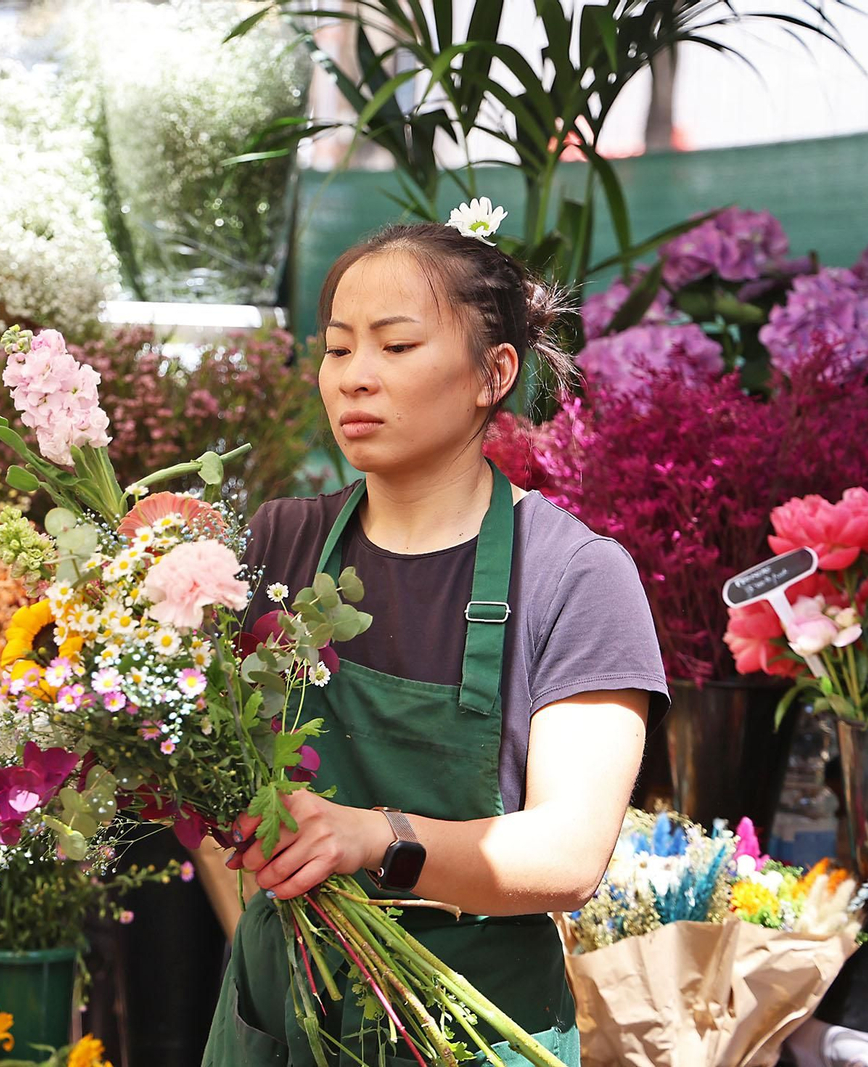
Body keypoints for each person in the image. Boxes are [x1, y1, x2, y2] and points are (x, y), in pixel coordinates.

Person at [202, 217, 669, 1066]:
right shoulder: (280, 543)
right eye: (339, 350)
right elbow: (203, 779)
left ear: (495, 372)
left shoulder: (576, 576)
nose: (355, 379)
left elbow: (569, 852)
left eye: (396, 345)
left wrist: (374, 837)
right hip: (278, 1015)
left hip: (475, 1027)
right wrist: (265, 930)